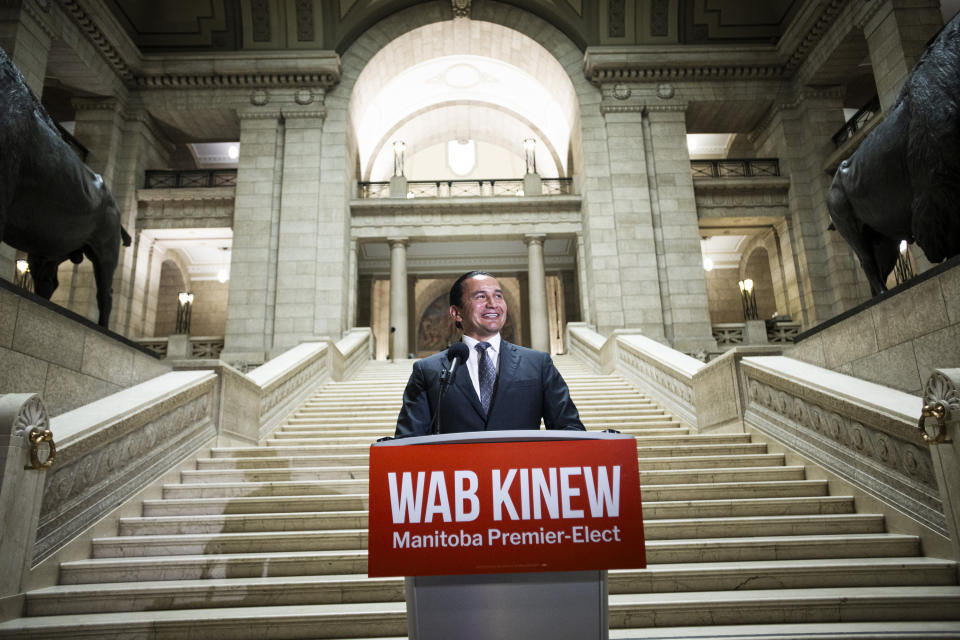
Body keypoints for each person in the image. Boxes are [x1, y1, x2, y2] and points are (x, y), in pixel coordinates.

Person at [394, 270, 585, 437]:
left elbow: (570, 430)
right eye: (480, 297)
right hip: (457, 476)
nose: (493, 304)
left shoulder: (538, 364)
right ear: (456, 313)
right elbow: (408, 441)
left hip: (519, 475)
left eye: (498, 296)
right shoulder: (428, 370)